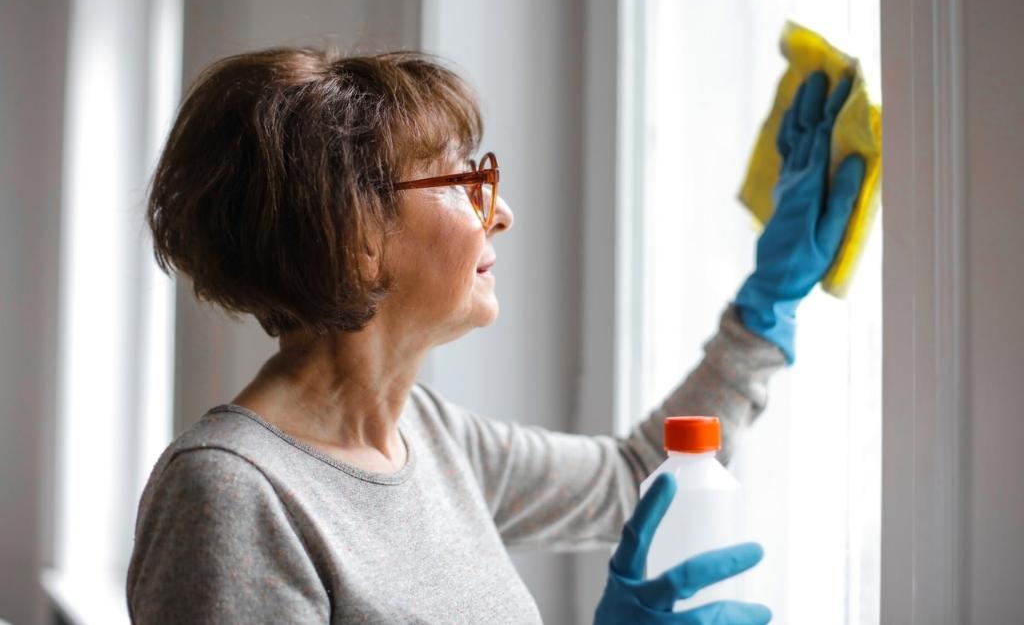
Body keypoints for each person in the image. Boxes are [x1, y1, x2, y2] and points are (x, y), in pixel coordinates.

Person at [127, 47, 862, 624]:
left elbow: (634, 477)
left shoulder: (432, 437)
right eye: (457, 181)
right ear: (355, 235)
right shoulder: (231, 493)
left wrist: (766, 305)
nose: (500, 210)